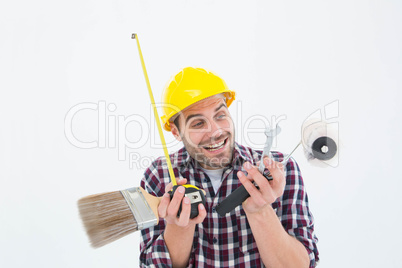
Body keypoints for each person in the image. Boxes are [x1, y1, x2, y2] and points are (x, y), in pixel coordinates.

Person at [139, 67, 319, 267]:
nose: (216, 131)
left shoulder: (279, 171)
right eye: (198, 123)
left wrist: (260, 211)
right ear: (176, 132)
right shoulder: (159, 176)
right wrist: (180, 226)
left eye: (220, 115)